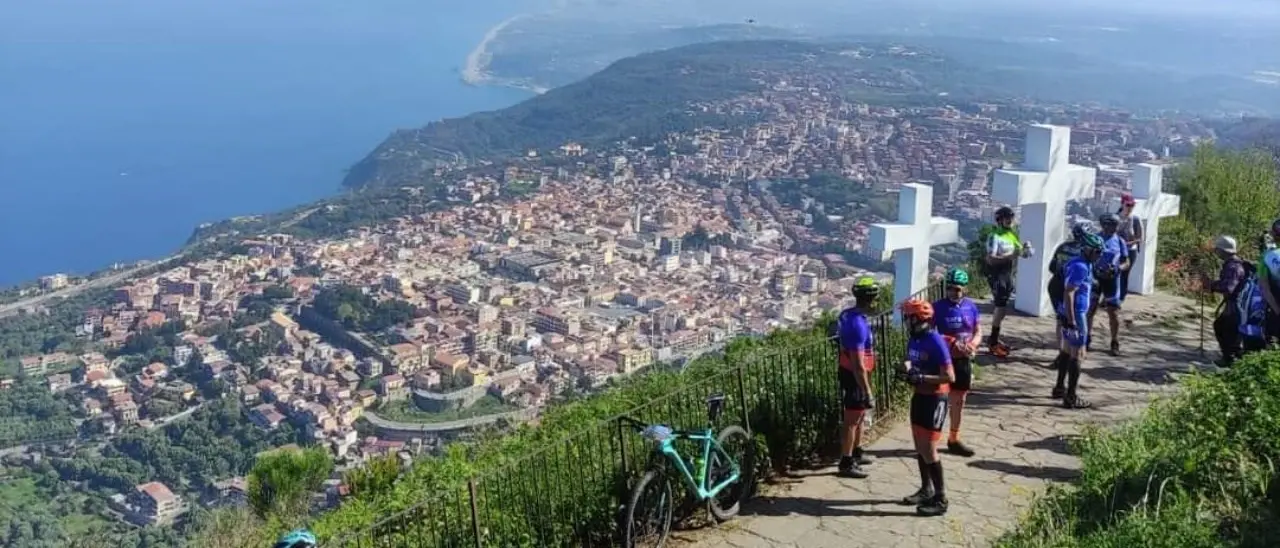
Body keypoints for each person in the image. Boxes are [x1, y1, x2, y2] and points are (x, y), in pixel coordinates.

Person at [896, 298, 955, 517]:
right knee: (919, 447)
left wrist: (922, 377)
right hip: (919, 396)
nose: (905, 321)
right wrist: (906, 368)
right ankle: (926, 488)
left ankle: (940, 498)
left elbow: (949, 376)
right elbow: (910, 361)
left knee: (929, 449)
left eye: (908, 317)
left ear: (918, 319)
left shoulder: (935, 340)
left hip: (935, 399)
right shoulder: (915, 338)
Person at [832, 277, 880, 478]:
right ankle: (846, 461)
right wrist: (868, 391)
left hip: (848, 370)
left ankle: (857, 451)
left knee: (859, 415)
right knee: (852, 419)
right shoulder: (858, 325)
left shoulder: (847, 315)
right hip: (855, 375)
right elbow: (858, 364)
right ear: (873, 299)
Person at [932, 268, 981, 457]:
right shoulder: (937, 307)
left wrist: (974, 344)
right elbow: (931, 332)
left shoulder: (971, 307)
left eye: (958, 289)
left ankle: (954, 438)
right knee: (939, 400)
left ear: (964, 289)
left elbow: (978, 330)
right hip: (945, 359)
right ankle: (932, 437)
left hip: (964, 359)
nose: (953, 292)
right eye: (950, 288)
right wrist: (951, 342)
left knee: (959, 400)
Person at [1053, 232, 1105, 409]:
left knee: (1067, 350)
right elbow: (1069, 291)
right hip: (1076, 313)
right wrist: (1072, 319)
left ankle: (1059, 387)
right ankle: (1071, 396)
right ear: (1089, 250)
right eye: (1098, 252)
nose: (1100, 255)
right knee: (1078, 353)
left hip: (1069, 311)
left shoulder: (1080, 263)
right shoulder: (1081, 266)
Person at [984, 206, 1032, 357]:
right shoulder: (994, 236)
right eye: (1007, 217)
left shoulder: (1011, 234)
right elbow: (990, 260)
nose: (1010, 220)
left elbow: (1022, 254)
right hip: (997, 275)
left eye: (1011, 217)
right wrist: (1011, 256)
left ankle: (994, 339)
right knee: (1000, 307)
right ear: (999, 220)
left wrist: (1027, 250)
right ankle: (992, 342)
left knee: (1002, 309)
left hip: (1008, 275)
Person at [1047, 222, 1092, 371]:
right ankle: (1072, 354)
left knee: (1061, 320)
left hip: (1056, 285)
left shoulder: (1063, 246)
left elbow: (1052, 267)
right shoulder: (1085, 251)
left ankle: (1061, 353)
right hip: (1072, 289)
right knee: (1075, 319)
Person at [1089, 213, 1130, 356]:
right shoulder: (1095, 239)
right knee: (1091, 309)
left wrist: (1119, 268)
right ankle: (1087, 337)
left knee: (1113, 312)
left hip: (1112, 280)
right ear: (1104, 225)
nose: (1114, 228)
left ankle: (1114, 341)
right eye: (1111, 225)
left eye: (1115, 225)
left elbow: (1126, 262)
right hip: (1095, 278)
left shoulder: (1120, 241)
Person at [1204, 236, 1248, 367]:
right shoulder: (1234, 264)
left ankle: (1231, 360)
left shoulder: (1233, 267)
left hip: (1236, 307)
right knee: (1222, 327)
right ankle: (1231, 358)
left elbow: (1228, 288)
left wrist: (1211, 285)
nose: (1216, 252)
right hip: (1236, 305)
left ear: (1223, 250)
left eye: (1217, 249)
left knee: (1227, 330)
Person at [1256, 220, 1280, 344]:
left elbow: (1264, 288)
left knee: (1273, 345)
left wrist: (1277, 310)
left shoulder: (1267, 256)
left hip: (1275, 310)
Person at [1115, 194, 1143, 301]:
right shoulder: (1115, 218)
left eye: (1132, 205)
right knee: (1113, 273)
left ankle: (1121, 298)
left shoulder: (1135, 219)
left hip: (1130, 250)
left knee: (1124, 273)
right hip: (1116, 250)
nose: (1130, 207)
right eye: (1128, 205)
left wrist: (1127, 244)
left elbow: (1140, 238)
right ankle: (1111, 297)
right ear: (1122, 204)